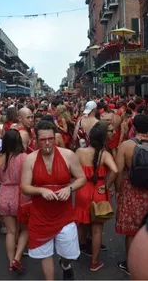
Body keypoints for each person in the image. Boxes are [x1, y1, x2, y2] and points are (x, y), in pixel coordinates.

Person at [21, 121, 86, 280]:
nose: (47, 143)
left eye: (50, 138)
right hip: (40, 215)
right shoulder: (30, 159)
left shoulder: (68, 155)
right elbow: (24, 187)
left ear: (55, 137)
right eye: (43, 140)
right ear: (36, 140)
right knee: (45, 254)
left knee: (70, 254)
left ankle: (65, 264)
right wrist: (40, 190)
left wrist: (69, 189)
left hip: (64, 214)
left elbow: (82, 178)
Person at [75, 122, 118, 271]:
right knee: (97, 229)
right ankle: (94, 262)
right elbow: (115, 170)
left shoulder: (80, 152)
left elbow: (72, 170)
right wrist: (106, 186)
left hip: (82, 190)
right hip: (98, 192)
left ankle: (77, 250)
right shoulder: (104, 154)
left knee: (81, 221)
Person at [115, 114, 148, 275]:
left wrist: (117, 190)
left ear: (134, 127)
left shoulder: (126, 146)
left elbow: (118, 171)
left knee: (131, 231)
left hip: (131, 190)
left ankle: (130, 264)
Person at [0, 129, 28, 271]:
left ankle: (10, 262)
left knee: (10, 231)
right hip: (21, 195)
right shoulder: (24, 157)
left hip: (4, 194)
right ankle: (17, 258)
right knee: (25, 229)